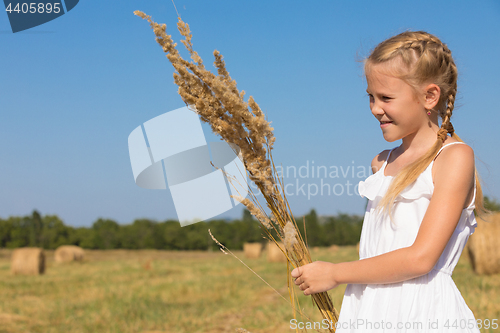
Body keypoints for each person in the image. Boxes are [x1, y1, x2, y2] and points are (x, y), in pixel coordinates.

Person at [291, 31, 484, 332]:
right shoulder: (381, 163)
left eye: (386, 98)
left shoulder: (453, 158)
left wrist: (336, 273)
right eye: (370, 96)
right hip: (369, 308)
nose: (374, 108)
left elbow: (421, 258)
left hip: (422, 313)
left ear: (429, 96)